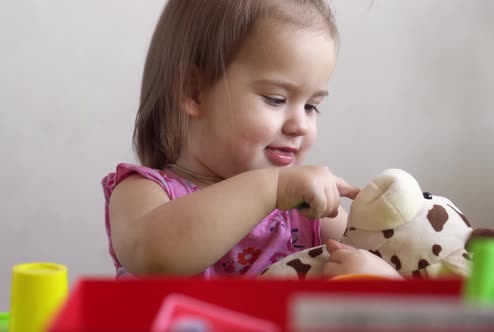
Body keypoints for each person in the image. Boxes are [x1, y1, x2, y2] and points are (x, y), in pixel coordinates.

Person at [102, 0, 401, 279]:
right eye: (275, 99)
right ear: (194, 91)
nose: (300, 126)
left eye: (311, 106)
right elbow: (153, 256)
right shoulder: (142, 192)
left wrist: (378, 278)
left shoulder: (309, 213)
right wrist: (272, 186)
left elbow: (404, 292)